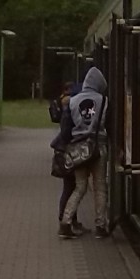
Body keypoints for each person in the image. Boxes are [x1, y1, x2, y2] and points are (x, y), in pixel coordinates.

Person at [59, 67, 109, 239]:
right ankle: (101, 226)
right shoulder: (103, 100)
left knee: (80, 187)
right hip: (98, 149)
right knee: (100, 187)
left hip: (78, 149)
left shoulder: (72, 101)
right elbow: (109, 125)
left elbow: (66, 129)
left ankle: (65, 223)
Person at [50, 84, 84, 236]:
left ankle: (70, 220)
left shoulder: (67, 108)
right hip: (67, 153)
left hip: (64, 151)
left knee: (70, 187)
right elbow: (66, 133)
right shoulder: (69, 111)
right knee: (70, 187)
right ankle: (65, 221)